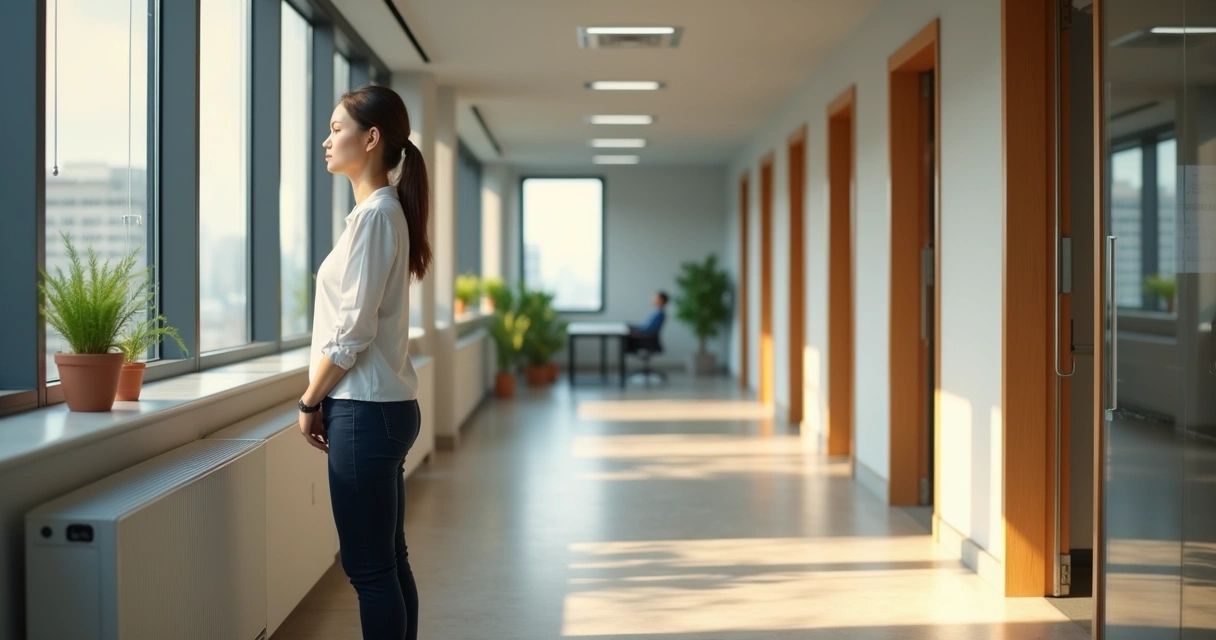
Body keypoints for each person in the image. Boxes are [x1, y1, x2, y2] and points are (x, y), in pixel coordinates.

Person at [297, 84, 431, 640]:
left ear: (371, 138)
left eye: (336, 129)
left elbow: (352, 330)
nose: (326, 141)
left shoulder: (377, 217)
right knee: (388, 560)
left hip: (365, 409)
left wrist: (309, 400)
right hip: (380, 407)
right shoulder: (378, 215)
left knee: (370, 569)